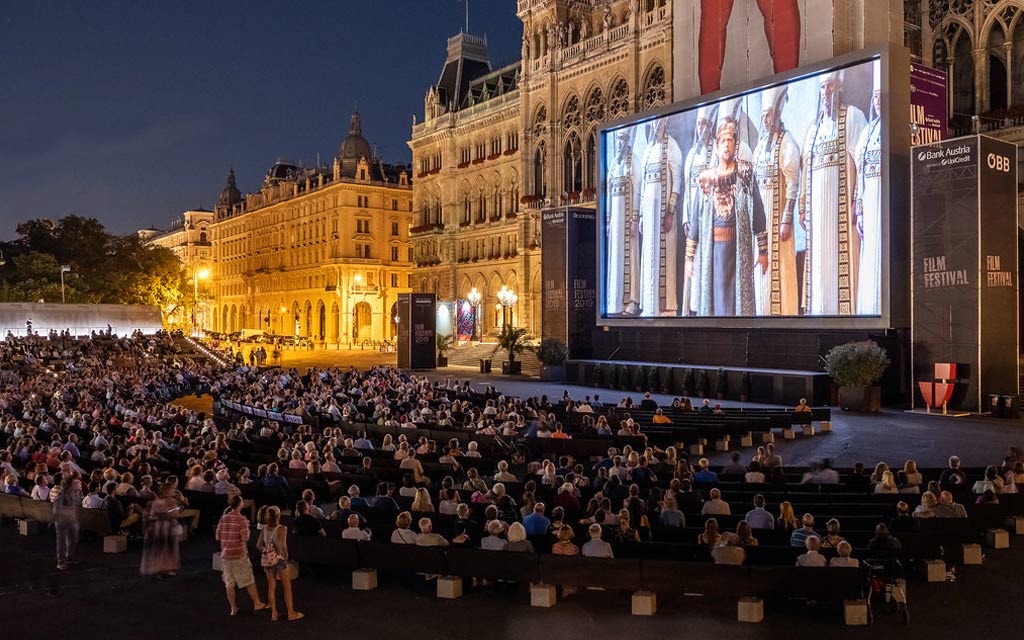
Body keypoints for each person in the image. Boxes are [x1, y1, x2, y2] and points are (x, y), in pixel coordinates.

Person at [686, 100, 767, 316]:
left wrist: (763, 252)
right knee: (714, 301)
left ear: (735, 144)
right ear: (717, 145)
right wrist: (689, 258)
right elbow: (696, 221)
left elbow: (758, 212)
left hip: (737, 248)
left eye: (730, 140)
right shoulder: (706, 179)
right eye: (723, 140)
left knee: (736, 305)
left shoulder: (745, 174)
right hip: (713, 251)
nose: (726, 145)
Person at [800, 69, 867, 316]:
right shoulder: (814, 128)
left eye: (829, 86)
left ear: (839, 88)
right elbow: (806, 168)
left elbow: (862, 162)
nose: (825, 93)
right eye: (822, 88)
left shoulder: (853, 117)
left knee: (843, 262)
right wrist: (803, 207)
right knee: (819, 264)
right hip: (817, 215)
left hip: (843, 212)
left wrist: (857, 200)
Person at [752, 85, 800, 315]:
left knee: (779, 268)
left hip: (778, 219)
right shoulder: (761, 146)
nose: (765, 120)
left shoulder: (787, 142)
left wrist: (786, 219)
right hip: (761, 220)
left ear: (778, 114)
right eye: (763, 116)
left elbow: (792, 183)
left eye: (769, 115)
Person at [637, 117, 684, 317]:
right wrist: (641, 215)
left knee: (665, 257)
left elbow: (677, 182)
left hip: (664, 214)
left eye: (660, 121)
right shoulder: (648, 150)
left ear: (666, 122)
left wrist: (670, 212)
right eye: (654, 121)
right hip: (648, 214)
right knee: (649, 256)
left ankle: (666, 307)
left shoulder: (672, 146)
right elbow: (642, 187)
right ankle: (649, 304)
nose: (657, 124)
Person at [680, 104, 719, 315]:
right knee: (693, 260)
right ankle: (692, 307)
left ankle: (707, 306)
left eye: (704, 123)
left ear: (710, 126)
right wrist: (686, 219)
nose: (701, 128)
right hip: (694, 220)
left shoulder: (716, 152)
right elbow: (687, 189)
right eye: (698, 124)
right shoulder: (691, 154)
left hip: (710, 217)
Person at [853, 67, 882, 315]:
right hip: (870, 201)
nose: (878, 101)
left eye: (881, 95)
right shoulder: (866, 133)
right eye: (875, 96)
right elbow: (860, 175)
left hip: (886, 202)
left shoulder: (897, 129)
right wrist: (860, 211)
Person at [606, 127, 641, 316]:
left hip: (627, 221)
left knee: (630, 258)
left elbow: (637, 190)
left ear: (628, 140)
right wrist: (608, 219)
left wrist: (634, 218)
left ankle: (632, 300)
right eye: (618, 139)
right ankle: (615, 301)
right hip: (615, 221)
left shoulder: (633, 161)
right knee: (615, 259)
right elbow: (608, 192)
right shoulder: (613, 163)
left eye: (623, 139)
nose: (620, 142)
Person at [215, 495, 268, 616]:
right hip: (239, 554)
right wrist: (247, 528)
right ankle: (257, 603)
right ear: (240, 504)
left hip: (226, 554)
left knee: (229, 583)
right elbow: (245, 538)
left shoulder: (223, 518)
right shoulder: (242, 519)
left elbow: (218, 536)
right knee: (249, 580)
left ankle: (233, 608)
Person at [257, 506, 303, 622]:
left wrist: (266, 551)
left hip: (268, 561)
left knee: (271, 587)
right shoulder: (282, 528)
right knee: (287, 587)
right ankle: (291, 613)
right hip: (279, 560)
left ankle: (273, 613)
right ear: (278, 516)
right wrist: (285, 556)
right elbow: (282, 546)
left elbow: (258, 545)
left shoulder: (264, 529)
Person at [140, 483, 181, 579]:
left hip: (156, 527)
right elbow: (175, 514)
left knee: (158, 548)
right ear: (167, 491)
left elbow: (152, 515)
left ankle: (157, 568)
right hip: (167, 527)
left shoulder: (155, 502)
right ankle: (166, 568)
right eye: (172, 489)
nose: (174, 491)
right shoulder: (171, 502)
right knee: (168, 548)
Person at [53, 476, 82, 571]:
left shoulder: (74, 494)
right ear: (71, 485)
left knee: (73, 539)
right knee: (62, 542)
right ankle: (61, 562)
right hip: (62, 521)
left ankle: (69, 557)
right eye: (77, 483)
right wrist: (67, 514)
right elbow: (57, 509)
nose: (80, 485)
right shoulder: (63, 495)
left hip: (72, 521)